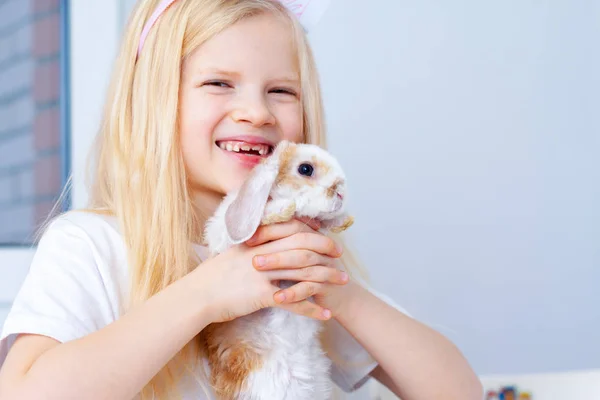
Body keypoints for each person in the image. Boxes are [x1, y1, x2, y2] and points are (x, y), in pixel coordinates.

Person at [0, 1, 483, 399]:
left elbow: (459, 392)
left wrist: (334, 288)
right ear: (154, 101)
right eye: (218, 83)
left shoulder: (295, 260)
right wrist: (206, 294)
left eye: (281, 91)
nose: (256, 112)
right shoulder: (92, 246)